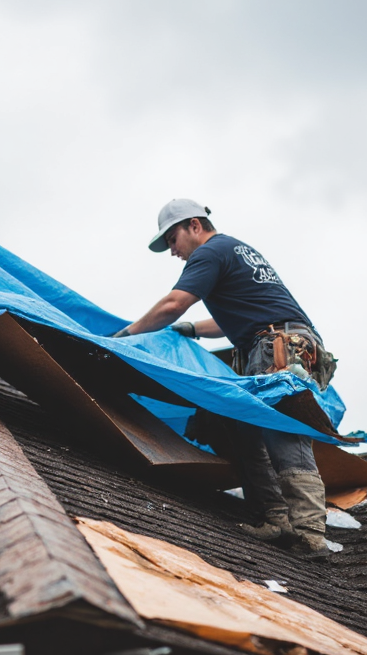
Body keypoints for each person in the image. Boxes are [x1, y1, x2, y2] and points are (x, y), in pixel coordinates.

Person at [115, 198, 337, 557]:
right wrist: (191, 329)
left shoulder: (209, 252)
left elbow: (174, 303)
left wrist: (128, 336)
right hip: (278, 340)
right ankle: (276, 516)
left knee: (282, 432)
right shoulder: (235, 250)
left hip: (275, 348)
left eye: (172, 239)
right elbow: (234, 319)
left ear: (194, 226)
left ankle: (310, 532)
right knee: (242, 423)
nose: (173, 251)